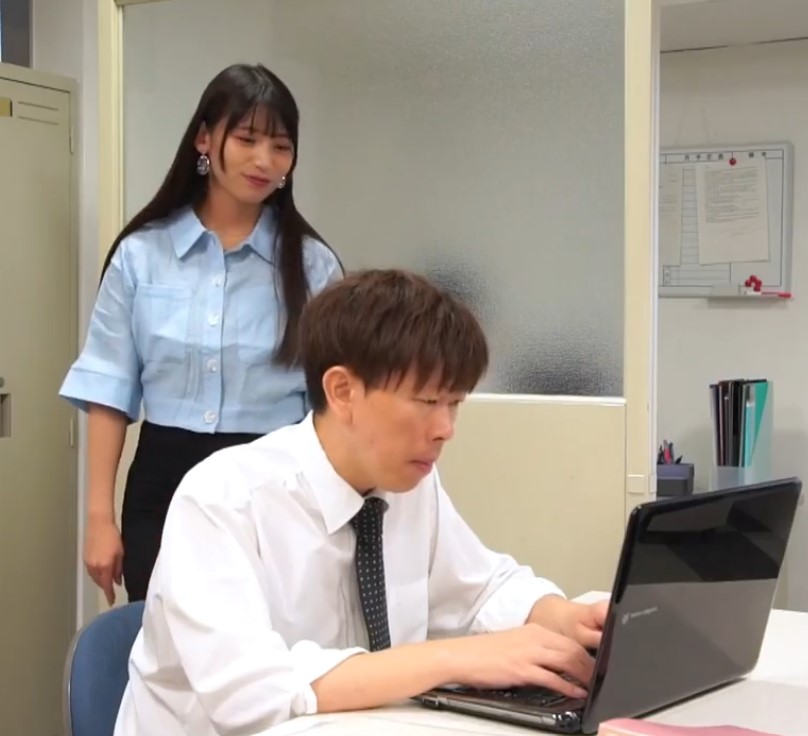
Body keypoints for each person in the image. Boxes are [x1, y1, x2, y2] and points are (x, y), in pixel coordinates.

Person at [113, 269, 608, 736]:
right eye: (427, 402)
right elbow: (251, 696)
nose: (445, 429)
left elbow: (480, 590)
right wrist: (455, 658)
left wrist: (564, 617)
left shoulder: (406, 484)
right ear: (342, 390)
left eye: (454, 403)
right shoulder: (222, 499)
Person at [59, 63, 342, 604]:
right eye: (247, 138)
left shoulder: (313, 266)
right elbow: (109, 389)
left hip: (275, 486)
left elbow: (333, 406)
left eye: (281, 146)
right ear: (205, 139)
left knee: (270, 643)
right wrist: (98, 518)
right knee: (163, 643)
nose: (264, 160)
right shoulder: (141, 255)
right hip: (162, 484)